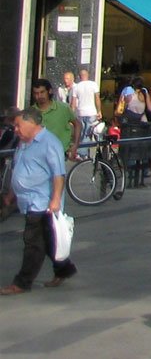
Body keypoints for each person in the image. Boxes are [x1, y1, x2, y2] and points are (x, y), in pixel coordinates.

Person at [1, 107, 76, 294]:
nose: (15, 130)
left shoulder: (50, 143)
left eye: (18, 125)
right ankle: (64, 269)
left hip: (41, 201)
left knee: (33, 242)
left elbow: (58, 174)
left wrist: (56, 199)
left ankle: (22, 282)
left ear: (31, 123)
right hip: (25, 199)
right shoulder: (24, 142)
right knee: (49, 239)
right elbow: (20, 168)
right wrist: (11, 193)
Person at [28, 81, 80, 163]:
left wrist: (75, 145)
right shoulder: (31, 112)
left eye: (42, 92)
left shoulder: (63, 108)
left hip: (60, 155)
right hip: (38, 156)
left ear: (49, 91)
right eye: (36, 93)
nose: (39, 96)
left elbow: (77, 124)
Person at [67, 69, 100, 158]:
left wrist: (71, 116)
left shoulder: (76, 87)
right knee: (87, 133)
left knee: (81, 133)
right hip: (91, 112)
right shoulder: (93, 84)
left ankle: (82, 152)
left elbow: (73, 104)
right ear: (88, 75)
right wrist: (99, 111)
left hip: (80, 112)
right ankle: (83, 153)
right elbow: (97, 98)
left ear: (79, 76)